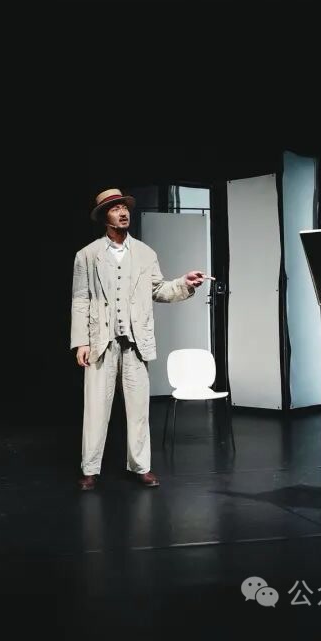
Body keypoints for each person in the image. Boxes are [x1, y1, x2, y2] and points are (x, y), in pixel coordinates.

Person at [71, 188, 209, 491]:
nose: (123, 213)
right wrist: (81, 341)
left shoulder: (146, 253)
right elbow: (81, 299)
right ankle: (90, 469)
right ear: (104, 217)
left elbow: (158, 290)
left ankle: (141, 466)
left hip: (136, 343)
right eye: (115, 209)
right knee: (95, 410)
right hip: (101, 342)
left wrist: (184, 284)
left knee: (138, 410)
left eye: (125, 207)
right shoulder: (87, 255)